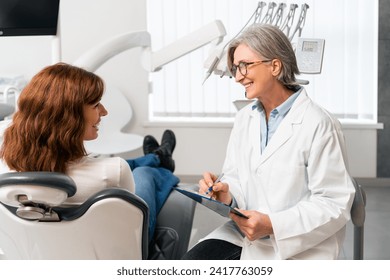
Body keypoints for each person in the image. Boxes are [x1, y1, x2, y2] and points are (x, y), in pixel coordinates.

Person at [182, 24, 355, 260]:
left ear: (275, 66)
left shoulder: (320, 124)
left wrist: (273, 224)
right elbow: (236, 176)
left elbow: (334, 203)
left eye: (244, 66)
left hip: (298, 246)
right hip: (244, 236)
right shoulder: (245, 119)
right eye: (235, 68)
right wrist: (226, 194)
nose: (238, 76)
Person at [0, 62, 179, 242]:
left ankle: (153, 157)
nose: (105, 112)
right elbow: (135, 222)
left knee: (128, 165)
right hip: (118, 245)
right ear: (69, 116)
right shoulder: (112, 172)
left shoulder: (5, 169)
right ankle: (161, 162)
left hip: (40, 248)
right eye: (95, 105)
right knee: (145, 173)